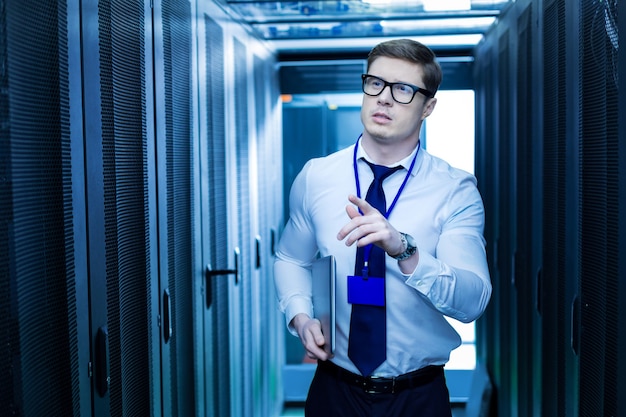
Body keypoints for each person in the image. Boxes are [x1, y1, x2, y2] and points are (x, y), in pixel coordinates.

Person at [274, 38, 492, 416]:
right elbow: (289, 258)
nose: (384, 98)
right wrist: (300, 315)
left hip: (417, 396)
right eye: (375, 83)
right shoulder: (317, 176)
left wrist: (403, 248)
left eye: (403, 89)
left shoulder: (454, 190)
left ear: (429, 107)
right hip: (333, 390)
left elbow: (472, 301)